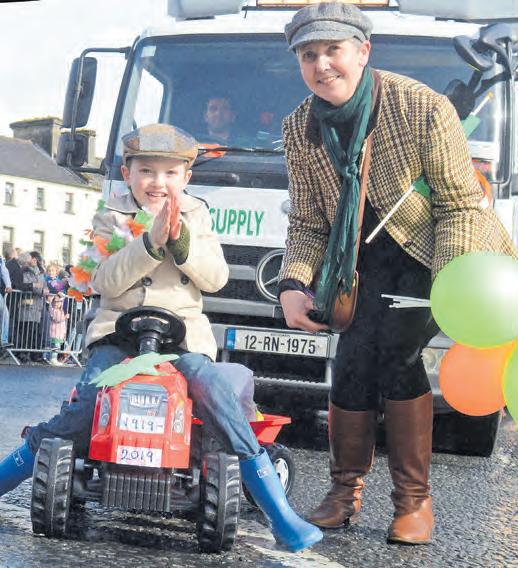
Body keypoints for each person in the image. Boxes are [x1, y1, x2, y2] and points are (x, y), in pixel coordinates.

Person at [0, 123, 322, 553]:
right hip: (119, 336)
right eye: (147, 171)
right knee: (88, 402)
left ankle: (279, 513)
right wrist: (149, 244)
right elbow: (102, 280)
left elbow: (215, 278)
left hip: (181, 340)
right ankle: (6, 476)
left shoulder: (197, 215)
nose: (158, 182)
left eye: (170, 173)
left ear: (185, 177)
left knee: (215, 392)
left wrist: (179, 241)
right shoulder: (111, 217)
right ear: (127, 173)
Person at [277, 2, 518, 546]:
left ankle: (413, 503)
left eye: (333, 50)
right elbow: (309, 221)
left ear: (363, 51)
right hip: (358, 265)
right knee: (352, 362)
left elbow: (460, 204)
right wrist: (293, 284)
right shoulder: (298, 127)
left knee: (395, 353)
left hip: (433, 255)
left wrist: (453, 284)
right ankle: (344, 494)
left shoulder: (422, 106)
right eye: (309, 55)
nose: (322, 65)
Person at [46, 293, 69, 366]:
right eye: (55, 302)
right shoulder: (53, 310)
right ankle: (53, 359)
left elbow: (63, 324)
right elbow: (57, 319)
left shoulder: (61, 311)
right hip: (55, 332)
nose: (56, 304)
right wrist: (65, 317)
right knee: (55, 346)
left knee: (56, 346)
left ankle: (52, 358)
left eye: (58, 302)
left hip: (60, 333)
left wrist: (64, 333)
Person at [0, 255, 12, 350]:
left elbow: (4, 272)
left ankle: (3, 340)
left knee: (4, 313)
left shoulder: (1, 260)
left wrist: (8, 285)